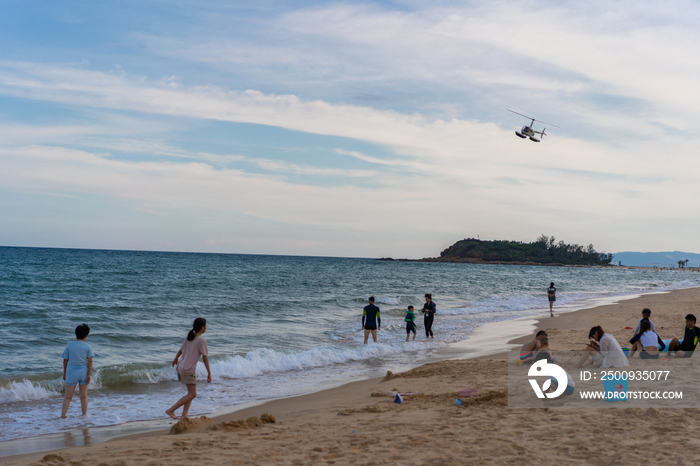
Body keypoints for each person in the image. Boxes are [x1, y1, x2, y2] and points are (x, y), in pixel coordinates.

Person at [166, 318, 212, 420]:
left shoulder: (189, 338)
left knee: (190, 394)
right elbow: (205, 357)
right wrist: (209, 372)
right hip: (188, 370)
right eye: (206, 326)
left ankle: (184, 415)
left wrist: (175, 359)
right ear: (202, 327)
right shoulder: (201, 340)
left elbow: (180, 350)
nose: (206, 328)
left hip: (181, 368)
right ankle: (171, 410)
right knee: (193, 394)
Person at [61, 324, 95, 418]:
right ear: (86, 336)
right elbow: (90, 361)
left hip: (71, 373)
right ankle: (84, 416)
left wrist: (65, 373)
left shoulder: (69, 345)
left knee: (67, 397)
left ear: (76, 334)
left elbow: (65, 360)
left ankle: (63, 417)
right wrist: (89, 374)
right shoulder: (88, 347)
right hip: (83, 372)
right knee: (83, 396)